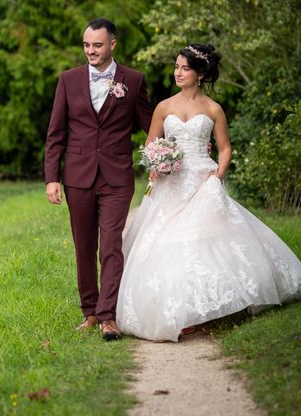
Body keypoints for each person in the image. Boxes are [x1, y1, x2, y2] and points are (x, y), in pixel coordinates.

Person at [116, 43, 301, 342]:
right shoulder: (164, 107)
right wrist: (157, 161)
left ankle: (219, 304)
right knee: (167, 241)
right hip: (171, 182)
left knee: (204, 240)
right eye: (176, 66)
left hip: (203, 179)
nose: (177, 72)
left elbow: (225, 148)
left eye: (184, 68)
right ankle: (182, 309)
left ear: (200, 74)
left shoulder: (213, 109)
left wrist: (219, 173)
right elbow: (150, 145)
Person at [44, 18, 153, 341]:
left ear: (113, 45)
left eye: (97, 45)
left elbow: (151, 124)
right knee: (84, 246)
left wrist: (176, 142)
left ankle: (109, 316)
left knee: (110, 245)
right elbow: (56, 133)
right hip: (77, 175)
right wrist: (52, 178)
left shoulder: (133, 81)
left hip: (117, 176)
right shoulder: (68, 80)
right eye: (86, 45)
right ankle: (90, 312)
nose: (91, 51)